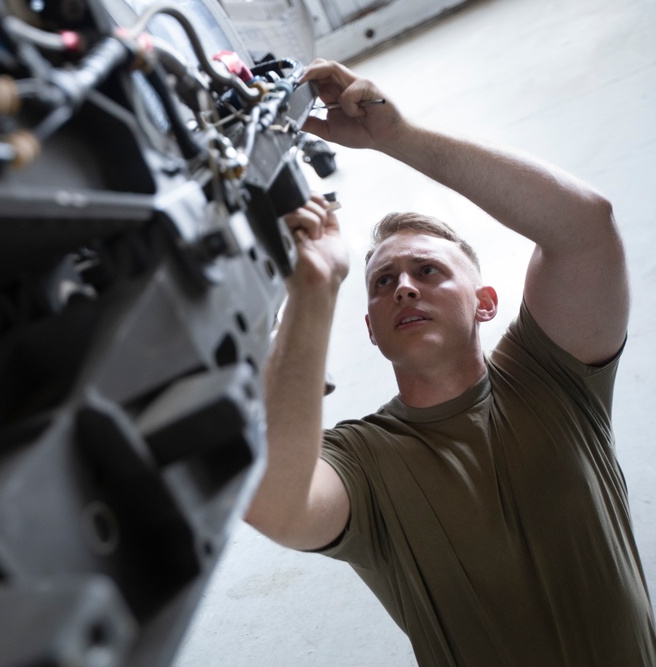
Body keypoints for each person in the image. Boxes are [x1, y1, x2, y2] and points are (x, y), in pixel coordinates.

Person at [244, 59, 656, 665]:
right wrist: (314, 285)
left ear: (485, 303)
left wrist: (399, 137)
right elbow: (277, 504)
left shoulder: (554, 379)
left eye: (428, 271)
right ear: (373, 330)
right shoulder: (361, 460)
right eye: (383, 282)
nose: (404, 288)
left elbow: (586, 226)